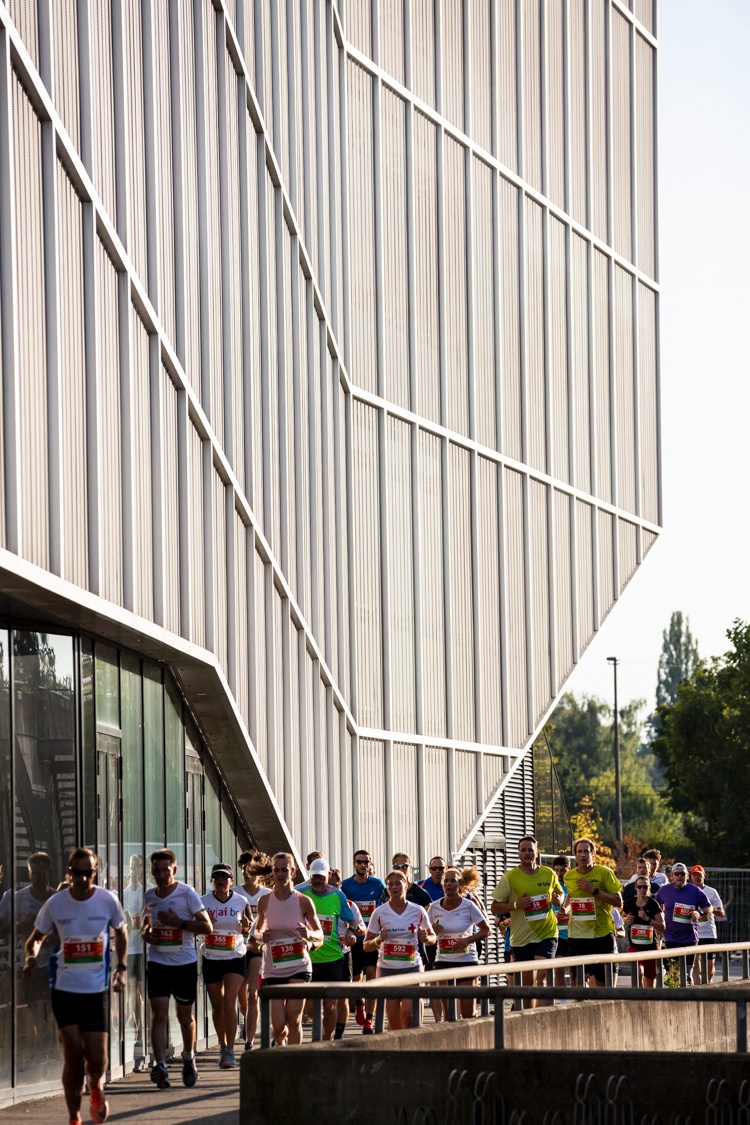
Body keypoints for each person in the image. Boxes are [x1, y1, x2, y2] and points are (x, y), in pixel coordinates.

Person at [22, 847, 127, 1125]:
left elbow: (121, 932)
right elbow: (35, 938)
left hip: (96, 990)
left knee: (97, 1060)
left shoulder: (107, 900)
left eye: (88, 873)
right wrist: (31, 959)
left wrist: (121, 968)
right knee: (73, 1055)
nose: (82, 878)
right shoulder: (56, 904)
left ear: (95, 872)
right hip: (65, 989)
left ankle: (96, 1088)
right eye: (77, 873)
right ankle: (74, 1118)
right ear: (69, 872)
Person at [142, 848, 212, 1090]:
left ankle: (188, 1057)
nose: (161, 875)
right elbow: (146, 923)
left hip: (184, 964)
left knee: (184, 1017)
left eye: (165, 870)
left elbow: (207, 927)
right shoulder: (149, 895)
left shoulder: (187, 893)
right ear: (151, 871)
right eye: (156, 870)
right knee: (159, 1015)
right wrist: (147, 934)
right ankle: (160, 1065)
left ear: (174, 869)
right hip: (157, 962)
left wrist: (179, 923)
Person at [255, 851, 323, 1046]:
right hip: (273, 967)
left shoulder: (303, 901)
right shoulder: (264, 901)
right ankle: (281, 1042)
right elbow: (257, 931)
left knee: (294, 1019)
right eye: (276, 870)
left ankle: (294, 1060)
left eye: (284, 870)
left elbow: (320, 934)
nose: (280, 874)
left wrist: (308, 934)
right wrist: (261, 936)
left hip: (298, 966)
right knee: (278, 1025)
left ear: (292, 871)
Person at [491, 836, 564, 1007]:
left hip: (547, 932)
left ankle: (542, 1019)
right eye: (523, 850)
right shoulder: (510, 877)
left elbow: (559, 894)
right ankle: (529, 1017)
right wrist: (516, 905)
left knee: (542, 980)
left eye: (530, 850)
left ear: (536, 853)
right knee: (527, 986)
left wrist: (558, 900)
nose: (527, 853)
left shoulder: (548, 873)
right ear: (518, 853)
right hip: (521, 937)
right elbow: (494, 907)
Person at [363, 869, 435, 1031]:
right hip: (388, 969)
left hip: (412, 967)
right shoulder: (379, 912)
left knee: (408, 1016)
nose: (394, 887)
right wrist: (378, 939)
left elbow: (433, 938)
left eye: (398, 883)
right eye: (390, 884)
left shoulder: (418, 910)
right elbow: (366, 946)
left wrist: (425, 938)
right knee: (395, 1024)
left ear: (406, 885)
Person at [200, 863, 251, 1068]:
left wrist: (247, 925)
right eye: (217, 877)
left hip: (235, 956)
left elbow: (249, 925)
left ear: (231, 881)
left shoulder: (241, 901)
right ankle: (222, 1045)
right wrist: (204, 924)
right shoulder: (203, 901)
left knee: (229, 1003)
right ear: (212, 880)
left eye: (225, 877)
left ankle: (230, 1050)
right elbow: (195, 927)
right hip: (211, 956)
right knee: (217, 1006)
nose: (221, 880)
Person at [302, 858, 357, 1040]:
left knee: (330, 1005)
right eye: (314, 877)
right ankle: (319, 1029)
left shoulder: (338, 896)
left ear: (329, 875)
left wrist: (350, 931)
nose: (317, 880)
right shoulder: (301, 895)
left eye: (320, 877)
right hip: (309, 957)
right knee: (311, 1007)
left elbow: (352, 920)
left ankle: (326, 1041)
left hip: (333, 957)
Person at [428, 867, 489, 1019]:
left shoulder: (468, 905)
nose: (449, 884)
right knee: (449, 1012)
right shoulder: (434, 907)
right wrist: (431, 930)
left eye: (453, 881)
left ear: (460, 884)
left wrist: (468, 940)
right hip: (443, 960)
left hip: (466, 960)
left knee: (468, 1012)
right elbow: (424, 933)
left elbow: (486, 930)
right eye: (446, 881)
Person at [564, 837, 623, 987]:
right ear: (575, 855)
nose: (583, 855)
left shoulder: (604, 873)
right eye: (579, 852)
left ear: (593, 854)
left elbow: (618, 901)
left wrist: (594, 890)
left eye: (586, 851)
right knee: (579, 983)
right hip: (577, 936)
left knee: (604, 986)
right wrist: (564, 908)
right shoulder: (569, 876)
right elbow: (571, 895)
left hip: (601, 935)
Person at [341, 849, 386, 1034]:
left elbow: (384, 906)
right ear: (354, 864)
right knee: (357, 978)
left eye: (366, 862)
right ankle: (359, 1004)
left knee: (372, 978)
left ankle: (369, 1019)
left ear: (370, 864)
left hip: (372, 937)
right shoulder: (346, 886)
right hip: (355, 939)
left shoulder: (378, 884)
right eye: (359, 862)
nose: (362, 865)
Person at [234, 850, 273, 1050]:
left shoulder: (267, 894)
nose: (247, 872)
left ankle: (249, 1042)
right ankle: (247, 1019)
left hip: (257, 948)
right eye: (244, 868)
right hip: (236, 947)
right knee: (242, 997)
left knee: (252, 994)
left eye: (251, 868)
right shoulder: (234, 893)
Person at [655, 862, 711, 982]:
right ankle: (674, 993)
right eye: (677, 874)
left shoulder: (695, 891)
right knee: (673, 973)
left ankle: (686, 993)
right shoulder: (664, 891)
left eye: (682, 874)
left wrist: (699, 913)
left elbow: (708, 907)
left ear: (687, 876)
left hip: (689, 937)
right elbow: (655, 907)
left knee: (686, 974)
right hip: (670, 936)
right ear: (671, 876)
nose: (680, 876)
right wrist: (658, 924)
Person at [328, 868, 366, 1038]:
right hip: (320, 954)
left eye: (336, 885)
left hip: (343, 953)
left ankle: (338, 1036)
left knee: (342, 996)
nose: (333, 889)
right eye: (329, 885)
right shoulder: (316, 902)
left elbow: (362, 928)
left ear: (341, 884)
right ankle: (325, 1028)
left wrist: (354, 930)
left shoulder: (350, 904)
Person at [622, 873, 664, 988]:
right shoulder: (629, 903)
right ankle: (639, 995)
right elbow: (622, 917)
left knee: (649, 981)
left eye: (645, 886)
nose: (642, 889)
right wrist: (626, 919)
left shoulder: (653, 904)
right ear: (635, 888)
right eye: (640, 887)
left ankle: (648, 997)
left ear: (649, 887)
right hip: (634, 945)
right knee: (638, 971)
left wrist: (647, 919)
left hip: (651, 946)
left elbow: (662, 926)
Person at [122, 854, 145, 1065]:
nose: (133, 870)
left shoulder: (147, 891)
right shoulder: (124, 893)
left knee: (143, 990)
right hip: (130, 948)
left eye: (136, 866)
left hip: (143, 948)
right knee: (133, 990)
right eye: (131, 866)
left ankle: (146, 1027)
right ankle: (138, 1029)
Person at [690, 865, 724, 984]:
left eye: (699, 875)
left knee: (709, 966)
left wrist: (709, 909)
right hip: (693, 932)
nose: (697, 877)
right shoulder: (688, 891)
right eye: (695, 875)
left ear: (704, 876)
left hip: (708, 932)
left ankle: (708, 980)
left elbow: (721, 912)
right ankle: (698, 988)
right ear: (691, 877)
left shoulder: (711, 892)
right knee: (695, 963)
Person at [551, 855, 572, 989]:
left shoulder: (573, 886)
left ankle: (580, 997)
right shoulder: (551, 887)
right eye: (556, 870)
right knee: (558, 969)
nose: (559, 873)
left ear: (569, 869)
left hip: (574, 933)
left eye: (562, 870)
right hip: (558, 933)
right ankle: (562, 999)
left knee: (575, 971)